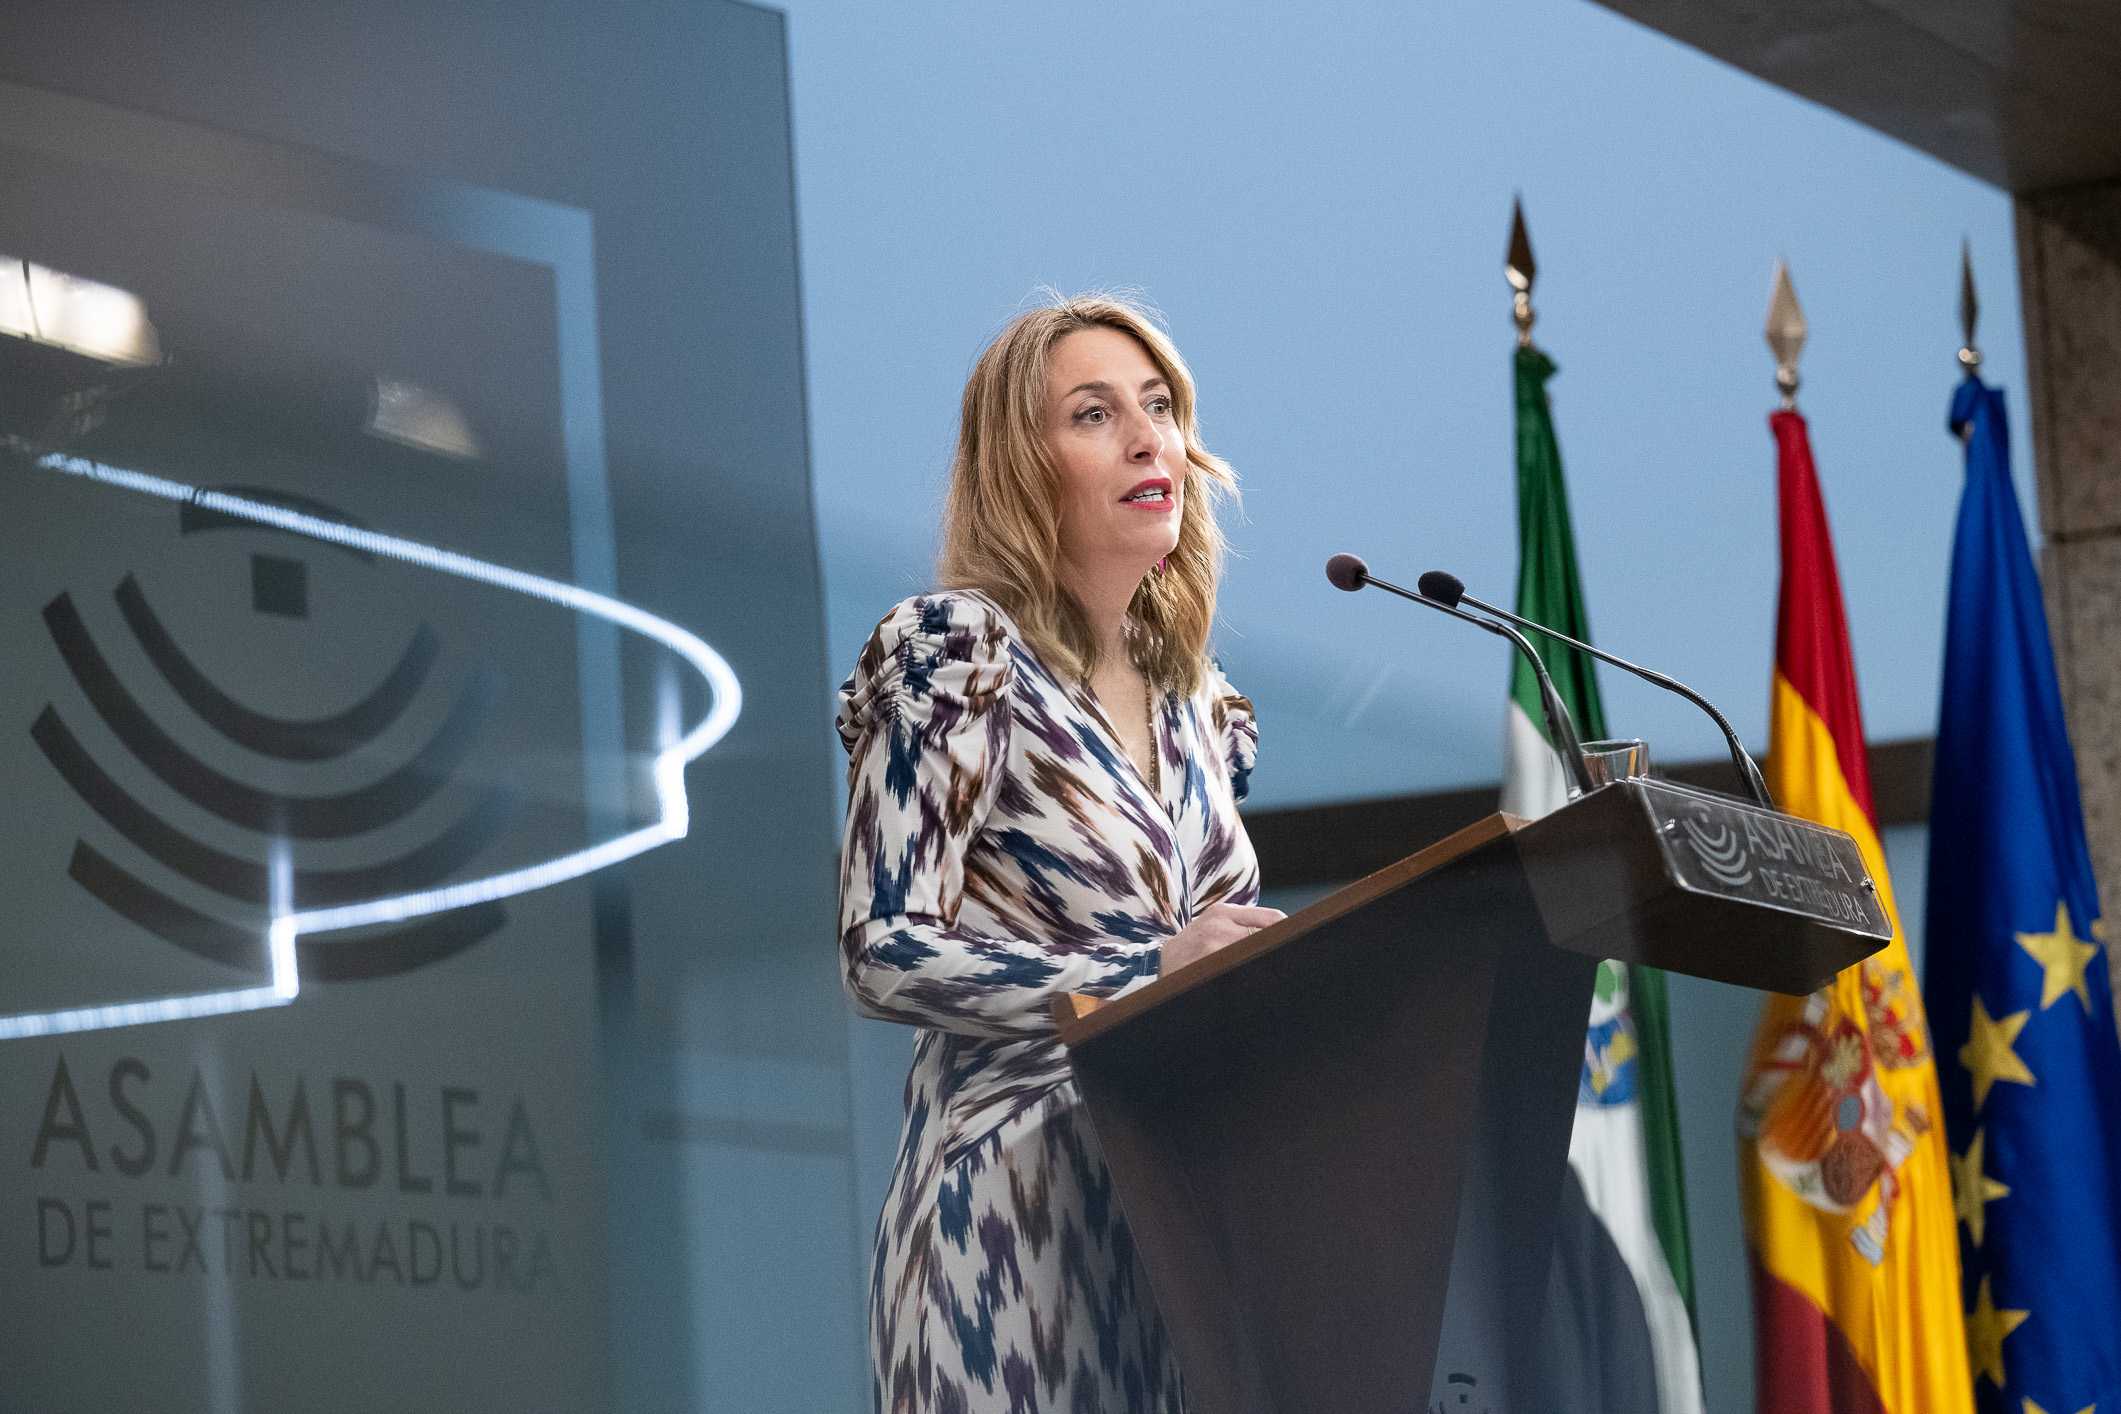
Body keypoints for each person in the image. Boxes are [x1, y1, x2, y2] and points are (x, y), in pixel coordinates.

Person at [836, 292, 1283, 1413]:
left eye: (1160, 407)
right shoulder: (958, 653)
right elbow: (882, 948)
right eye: (1094, 414)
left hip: (1177, 1221)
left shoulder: (1203, 707)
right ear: (1020, 469)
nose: (1149, 439)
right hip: (1007, 1224)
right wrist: (1145, 975)